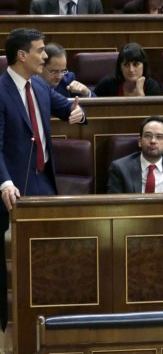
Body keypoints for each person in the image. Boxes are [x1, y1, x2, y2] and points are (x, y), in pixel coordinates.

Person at [0, 28, 86, 329]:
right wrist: (4, 181)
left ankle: (49, 319)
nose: (45, 56)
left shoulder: (38, 85)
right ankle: (9, 325)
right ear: (22, 55)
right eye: (40, 51)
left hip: (43, 181)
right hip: (11, 188)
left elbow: (68, 109)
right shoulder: (0, 91)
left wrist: (79, 114)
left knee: (48, 255)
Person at [106, 116, 163, 193]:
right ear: (140, 141)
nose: (153, 141)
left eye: (159, 137)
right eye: (148, 136)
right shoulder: (120, 168)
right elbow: (115, 206)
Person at [93, 43, 163, 97]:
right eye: (126, 65)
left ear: (143, 65)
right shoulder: (107, 84)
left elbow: (152, 114)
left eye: (135, 64)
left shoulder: (152, 87)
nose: (131, 70)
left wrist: (140, 92)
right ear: (120, 67)